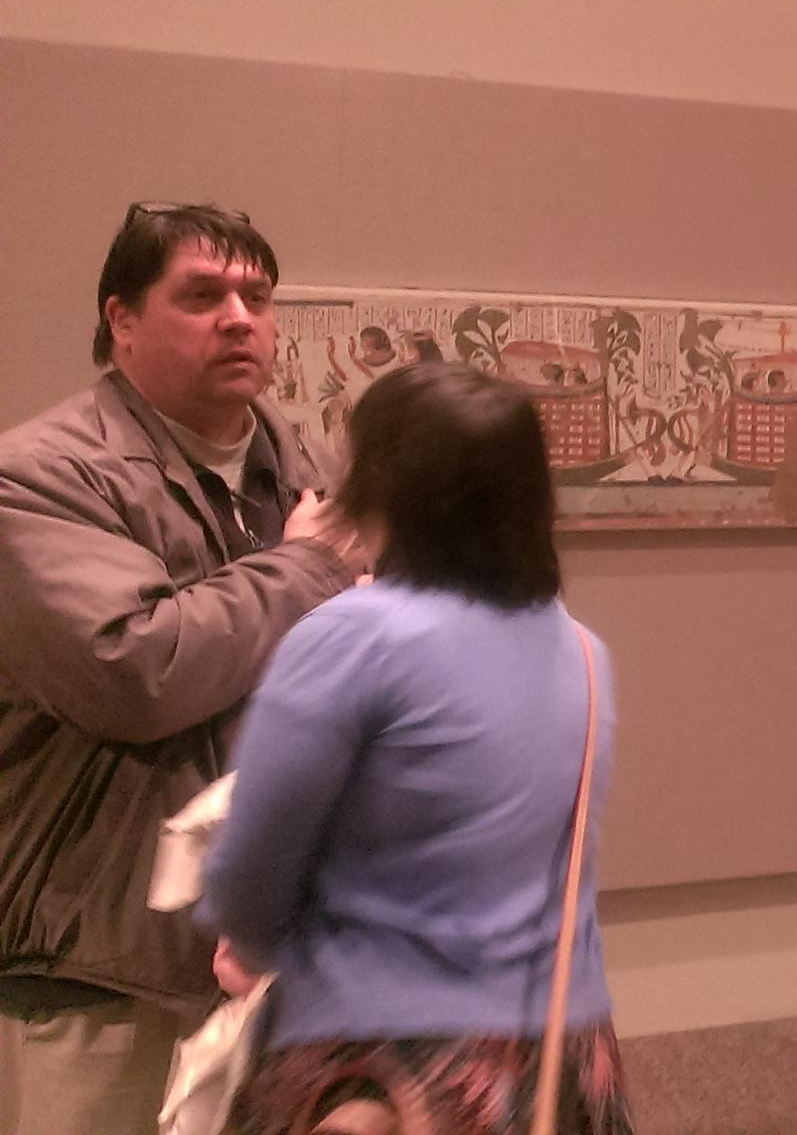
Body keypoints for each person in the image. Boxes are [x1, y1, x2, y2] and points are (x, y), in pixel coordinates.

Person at [0, 202, 369, 1135]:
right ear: (121, 320)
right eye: (202, 296)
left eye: (256, 296)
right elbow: (135, 668)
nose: (239, 318)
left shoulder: (309, 470)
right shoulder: (37, 476)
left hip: (277, 944)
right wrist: (310, 567)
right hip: (105, 962)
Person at [197, 362, 633, 1134]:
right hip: (558, 1053)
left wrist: (250, 942)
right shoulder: (583, 652)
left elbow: (256, 862)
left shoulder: (353, 635)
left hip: (383, 1062)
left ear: (384, 485)